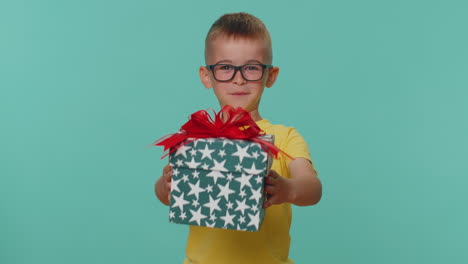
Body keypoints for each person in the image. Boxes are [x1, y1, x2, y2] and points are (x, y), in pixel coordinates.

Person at [155, 12, 322, 264]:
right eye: (225, 67)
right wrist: (166, 183)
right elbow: (163, 194)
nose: (238, 78)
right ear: (206, 76)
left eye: (252, 68)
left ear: (271, 75)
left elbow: (312, 188)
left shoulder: (285, 137)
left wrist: (288, 190)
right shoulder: (196, 137)